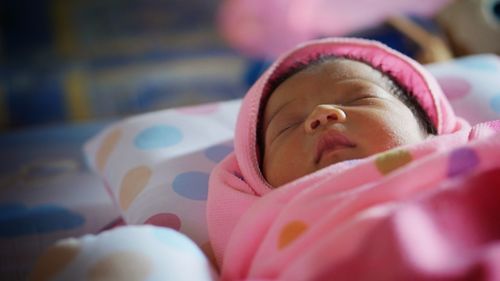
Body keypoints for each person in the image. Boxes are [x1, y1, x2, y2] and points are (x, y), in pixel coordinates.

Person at [207, 37, 500, 280]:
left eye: (360, 99)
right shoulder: (260, 231)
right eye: (286, 126)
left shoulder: (468, 150)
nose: (321, 114)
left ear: (429, 125)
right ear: (260, 177)